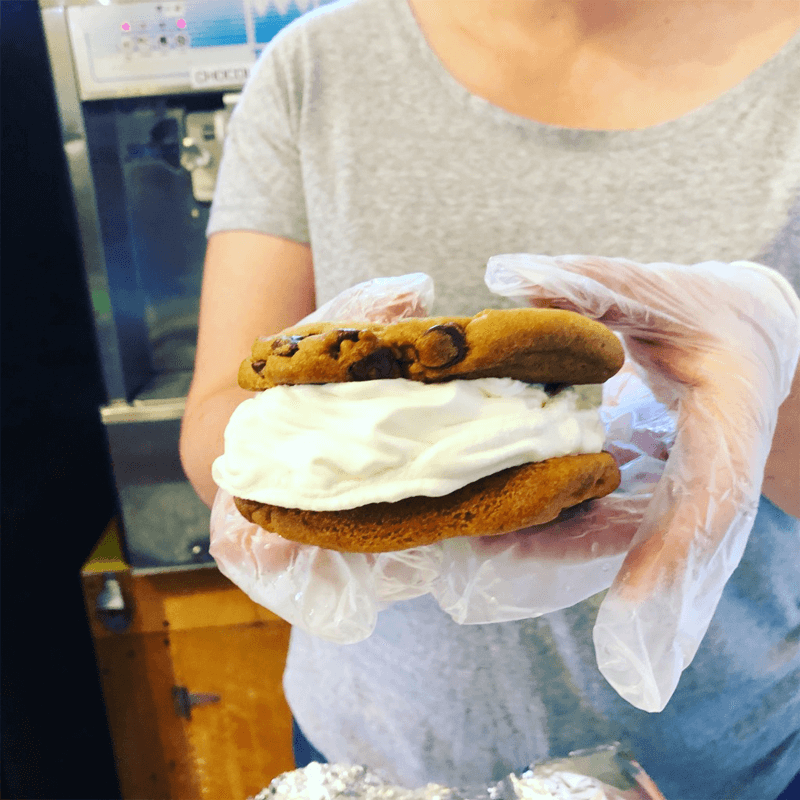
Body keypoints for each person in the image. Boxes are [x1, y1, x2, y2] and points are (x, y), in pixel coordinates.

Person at [179, 1, 800, 797]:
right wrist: (314, 448)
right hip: (376, 754)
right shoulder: (317, 64)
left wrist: (769, 384)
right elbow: (213, 422)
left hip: (728, 759)